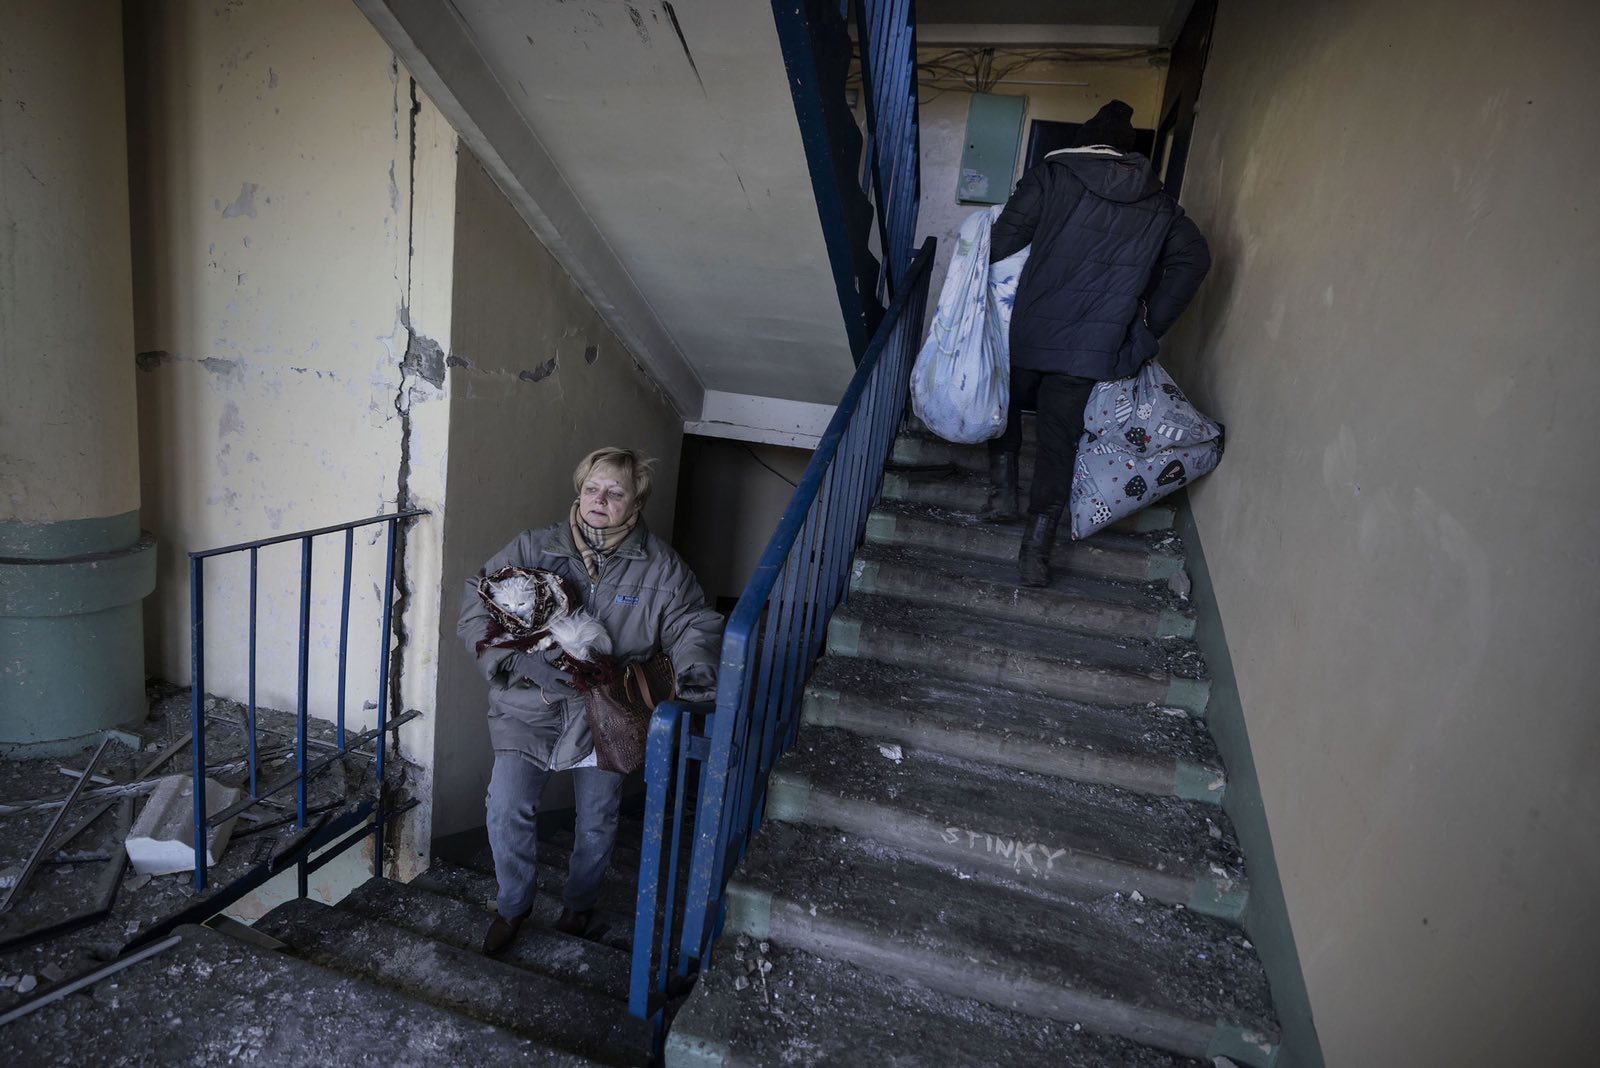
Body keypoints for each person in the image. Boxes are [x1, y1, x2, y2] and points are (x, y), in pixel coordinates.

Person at [457, 447, 722, 956]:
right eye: (593, 488)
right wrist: (513, 661)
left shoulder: (662, 568)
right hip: (529, 704)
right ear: (580, 491)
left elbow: (692, 623)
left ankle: (579, 907)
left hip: (609, 712)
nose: (600, 500)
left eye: (615, 492)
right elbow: (478, 599)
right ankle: (513, 906)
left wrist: (696, 673)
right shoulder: (534, 547)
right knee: (506, 806)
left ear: (636, 503)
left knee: (597, 820)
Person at [982, 99, 1211, 586]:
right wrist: (1147, 325)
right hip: (1094, 342)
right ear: (1128, 156)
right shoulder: (1161, 204)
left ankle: (1001, 492)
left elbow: (1003, 242)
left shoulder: (1051, 174)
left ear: (1084, 142)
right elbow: (1194, 260)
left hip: (1029, 327)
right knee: (1058, 442)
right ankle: (1035, 552)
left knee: (999, 403)